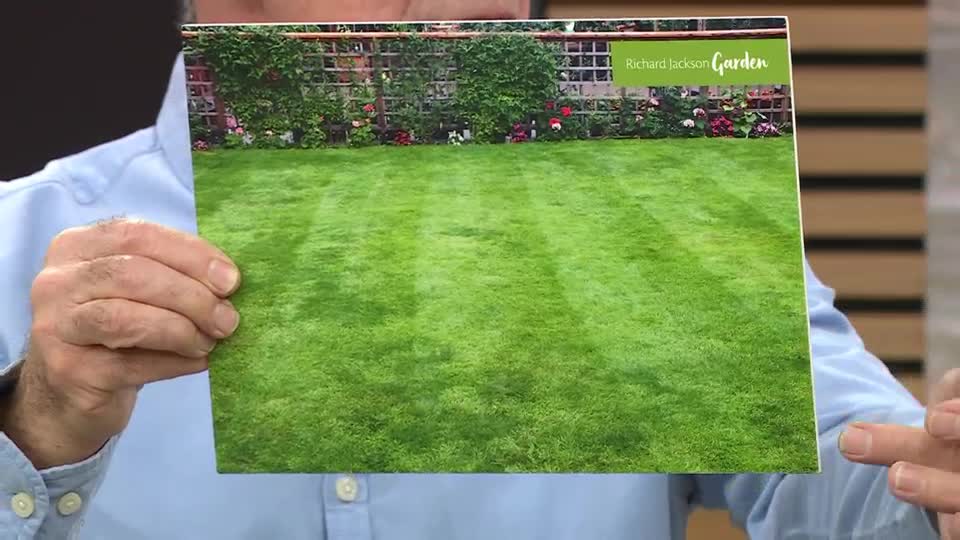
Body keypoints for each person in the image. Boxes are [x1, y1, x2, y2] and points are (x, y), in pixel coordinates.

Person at [0, 2, 956, 538]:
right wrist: (39, 425)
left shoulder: (661, 216)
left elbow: (842, 462)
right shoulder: (16, 241)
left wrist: (935, 491)